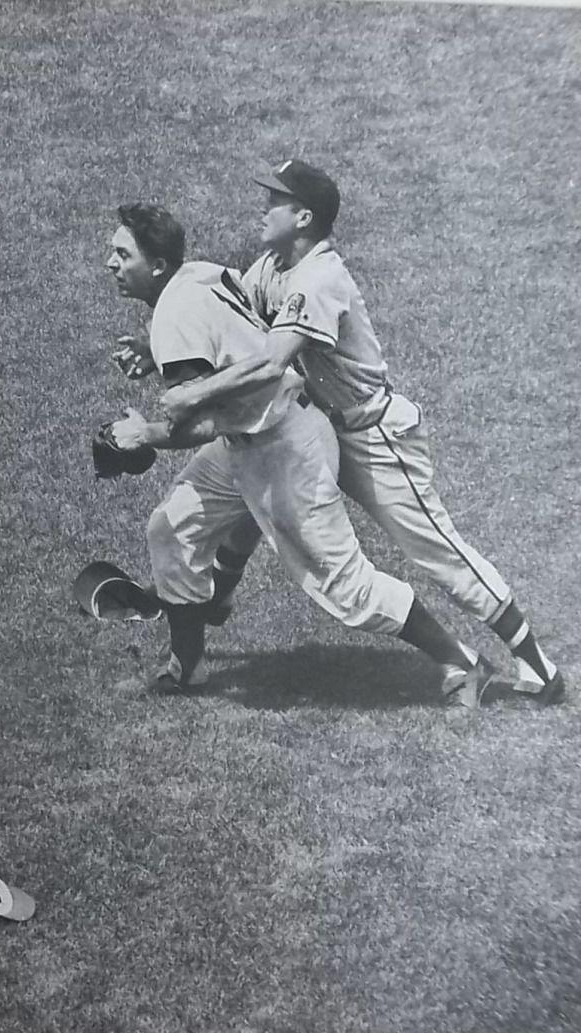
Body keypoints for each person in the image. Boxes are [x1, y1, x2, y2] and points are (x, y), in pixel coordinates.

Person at [153, 161, 564, 705]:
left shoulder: (321, 277)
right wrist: (165, 351)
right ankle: (220, 595)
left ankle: (538, 667)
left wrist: (190, 394)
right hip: (319, 425)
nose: (263, 207)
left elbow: (272, 363)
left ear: (303, 216)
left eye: (275, 200)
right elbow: (234, 318)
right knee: (244, 486)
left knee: (438, 551)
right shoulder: (271, 266)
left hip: (375, 435)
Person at [102, 202, 497, 706]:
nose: (111, 263)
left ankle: (463, 661)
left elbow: (198, 425)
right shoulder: (198, 274)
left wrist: (143, 435)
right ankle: (188, 663)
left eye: (122, 254)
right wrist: (154, 352)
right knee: (173, 529)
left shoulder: (173, 317)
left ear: (156, 266)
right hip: (261, 436)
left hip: (287, 451)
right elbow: (232, 338)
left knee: (345, 588)